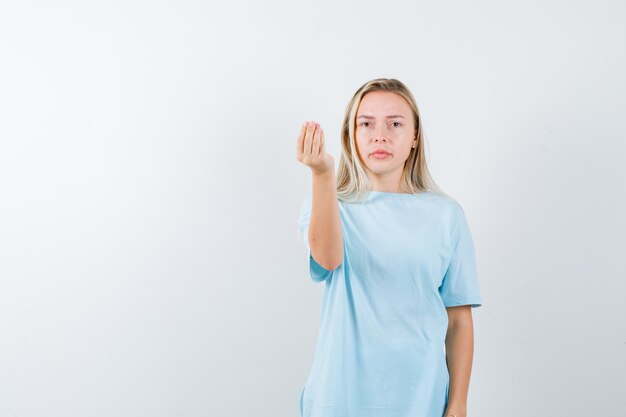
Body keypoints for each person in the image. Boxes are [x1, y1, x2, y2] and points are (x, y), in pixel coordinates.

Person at [295, 78, 483, 417]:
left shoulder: (446, 215)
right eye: (366, 124)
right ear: (350, 135)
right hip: (339, 397)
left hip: (419, 398)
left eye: (395, 124)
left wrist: (457, 404)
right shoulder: (327, 203)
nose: (379, 135)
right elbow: (328, 259)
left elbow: (459, 321)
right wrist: (323, 174)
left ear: (414, 137)